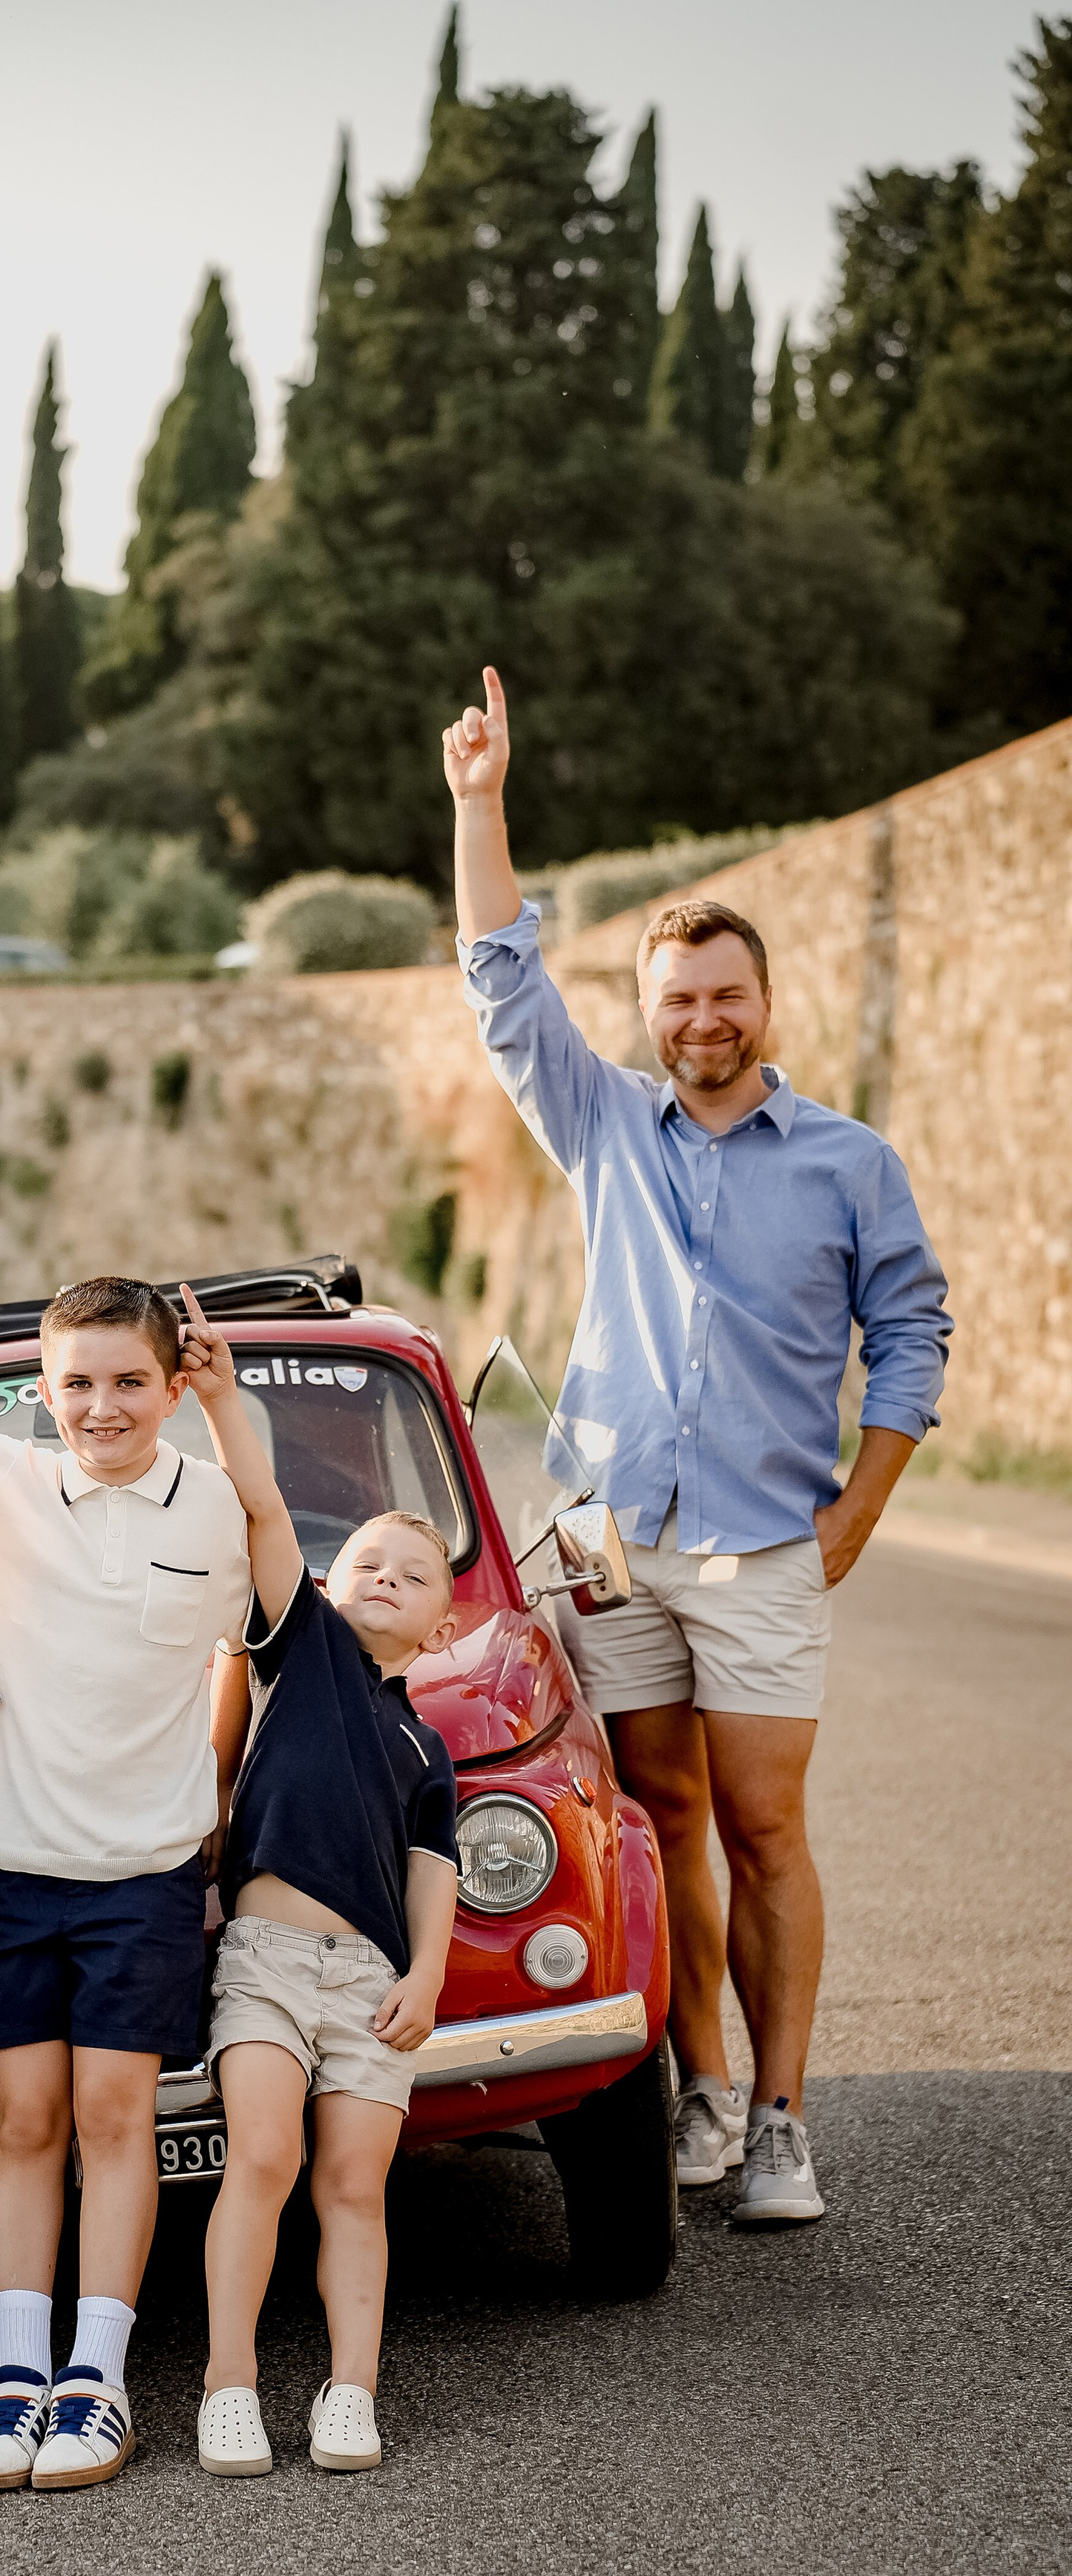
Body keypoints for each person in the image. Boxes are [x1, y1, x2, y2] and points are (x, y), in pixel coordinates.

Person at [443, 672, 950, 2224]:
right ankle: (703, 2093)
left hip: (760, 1545)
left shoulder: (849, 1164)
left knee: (763, 1823)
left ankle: (785, 2119)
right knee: (654, 1824)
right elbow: (500, 985)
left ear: (763, 1006)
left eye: (724, 996)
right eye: (675, 1000)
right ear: (652, 1015)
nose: (700, 1021)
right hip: (613, 1539)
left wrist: (853, 1517)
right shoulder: (603, 1125)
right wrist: (478, 804)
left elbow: (912, 1341)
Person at [0, 1186, 251, 2491]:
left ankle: (99, 2383)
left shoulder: (219, 1507)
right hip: (12, 1866)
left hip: (144, 1870)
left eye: (128, 1382)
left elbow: (245, 1649)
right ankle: (16, 2380)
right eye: (77, 1384)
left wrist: (221, 1808)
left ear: (170, 1387)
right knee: (26, 2119)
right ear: (44, 1384)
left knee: (119, 2116)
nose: (102, 1408)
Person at [173, 1288, 461, 2474]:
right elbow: (265, 1507)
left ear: (445, 1626)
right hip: (269, 1960)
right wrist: (225, 1399)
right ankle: (227, 2385)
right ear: (330, 1591)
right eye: (368, 1562)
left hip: (376, 1983)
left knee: (354, 2185)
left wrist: (431, 1975)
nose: (386, 1574)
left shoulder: (427, 1746)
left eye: (417, 1573)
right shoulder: (304, 1653)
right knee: (266, 2160)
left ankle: (352, 2390)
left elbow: (432, 1871)